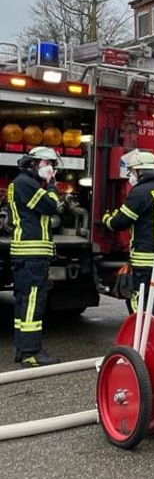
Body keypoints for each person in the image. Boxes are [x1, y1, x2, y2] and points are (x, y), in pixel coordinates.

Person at [103, 149, 154, 330]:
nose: (131, 175)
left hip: (147, 258)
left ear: (140, 171)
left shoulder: (140, 193)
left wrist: (107, 218)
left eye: (132, 171)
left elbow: (119, 223)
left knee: (139, 298)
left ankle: (144, 337)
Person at [8, 146, 62, 367]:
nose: (51, 170)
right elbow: (51, 206)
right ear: (34, 163)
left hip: (26, 252)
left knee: (24, 302)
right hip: (32, 253)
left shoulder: (21, 183)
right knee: (32, 302)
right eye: (48, 165)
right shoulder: (26, 184)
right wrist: (51, 185)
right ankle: (32, 352)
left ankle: (23, 349)